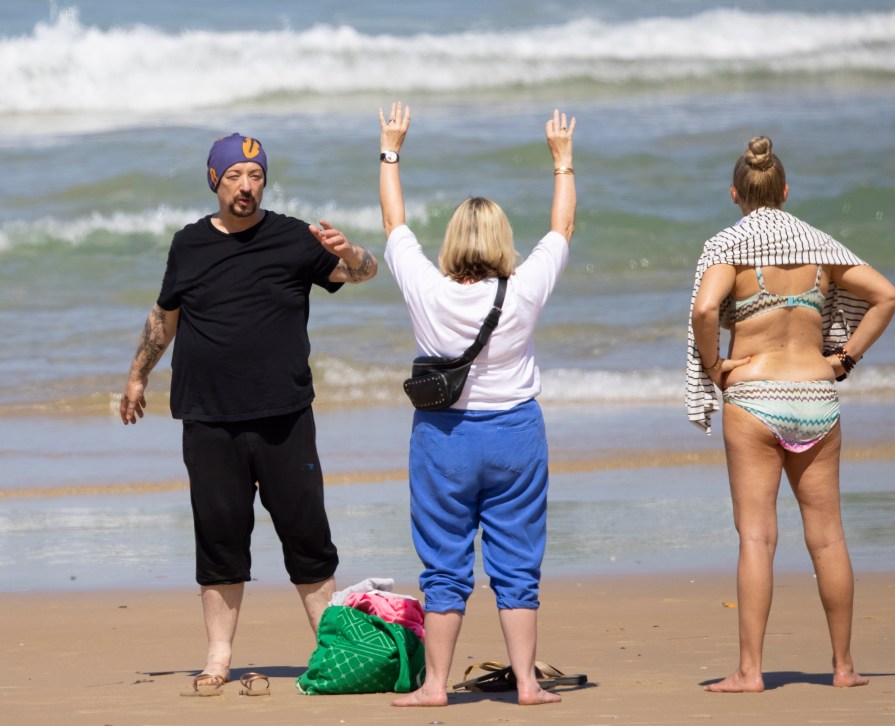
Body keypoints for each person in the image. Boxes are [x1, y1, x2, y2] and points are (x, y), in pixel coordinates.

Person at [119, 132, 379, 695]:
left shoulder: (293, 236)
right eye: (235, 175)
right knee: (219, 537)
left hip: (284, 414)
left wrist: (350, 252)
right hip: (208, 418)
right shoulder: (188, 244)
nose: (246, 185)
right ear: (215, 180)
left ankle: (331, 650)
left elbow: (363, 273)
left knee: (307, 535)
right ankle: (218, 658)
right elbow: (166, 315)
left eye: (255, 175)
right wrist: (139, 373)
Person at [378, 102, 576, 707]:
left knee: (444, 562)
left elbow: (393, 223)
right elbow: (562, 229)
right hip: (516, 434)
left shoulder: (426, 289)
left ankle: (436, 686)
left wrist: (390, 149)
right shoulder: (525, 288)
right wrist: (562, 162)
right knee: (517, 561)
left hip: (444, 439)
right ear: (501, 242)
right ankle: (525, 683)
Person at [687, 136, 895, 693]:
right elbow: (887, 296)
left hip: (755, 398)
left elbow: (706, 307)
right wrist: (845, 360)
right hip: (815, 397)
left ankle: (750, 671)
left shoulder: (727, 246)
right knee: (828, 538)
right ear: (785, 191)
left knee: (757, 538)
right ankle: (844, 667)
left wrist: (715, 367)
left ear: (735, 193)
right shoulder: (817, 244)